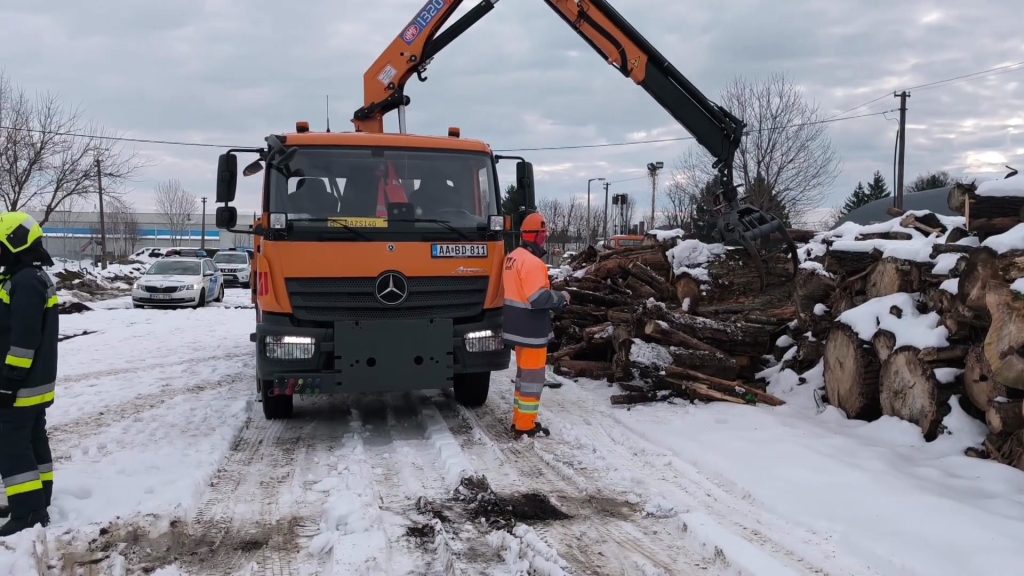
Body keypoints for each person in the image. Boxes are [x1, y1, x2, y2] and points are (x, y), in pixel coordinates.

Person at [0, 211, 58, 537]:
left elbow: (23, 340)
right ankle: (39, 499)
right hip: (34, 384)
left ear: (14, 241)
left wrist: (9, 382)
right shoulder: (28, 277)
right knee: (33, 440)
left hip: (20, 385)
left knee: (10, 445)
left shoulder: (25, 282)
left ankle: (27, 512)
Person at [501, 211, 570, 439]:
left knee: (523, 377)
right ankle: (525, 426)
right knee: (532, 380)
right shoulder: (533, 263)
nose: (546, 237)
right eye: (544, 233)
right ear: (536, 236)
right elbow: (537, 298)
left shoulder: (513, 256)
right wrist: (560, 298)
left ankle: (519, 419)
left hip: (517, 327)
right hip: (531, 330)